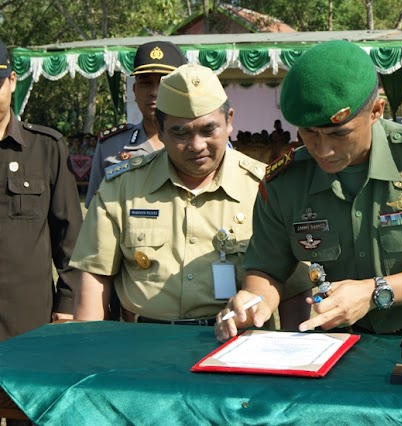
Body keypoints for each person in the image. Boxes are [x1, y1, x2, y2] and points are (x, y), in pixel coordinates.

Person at [215, 40, 402, 343]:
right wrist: (253, 302)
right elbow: (267, 269)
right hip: (342, 341)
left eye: (339, 134)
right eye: (309, 133)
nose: (323, 149)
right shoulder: (285, 182)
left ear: (376, 110)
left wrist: (374, 291)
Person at [71, 64, 309, 327]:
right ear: (160, 131)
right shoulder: (122, 188)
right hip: (145, 345)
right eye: (180, 133)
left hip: (237, 345)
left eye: (209, 130)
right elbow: (94, 278)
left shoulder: (265, 187)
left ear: (229, 120)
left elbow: (295, 288)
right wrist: (88, 346)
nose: (197, 146)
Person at [0, 39, 83, 342]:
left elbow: (70, 234)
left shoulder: (45, 148)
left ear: (11, 81)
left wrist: (67, 303)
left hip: (28, 320)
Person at [85, 40, 187, 208]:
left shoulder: (202, 143)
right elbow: (95, 210)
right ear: (135, 91)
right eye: (146, 83)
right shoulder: (111, 146)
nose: (154, 92)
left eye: (164, 82)